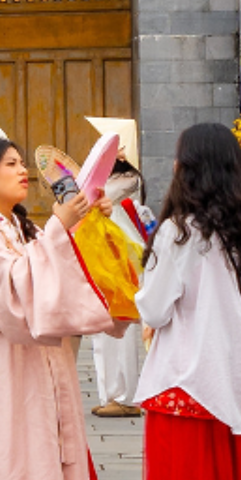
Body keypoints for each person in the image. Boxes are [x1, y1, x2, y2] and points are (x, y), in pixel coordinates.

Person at [0, 136, 119, 480]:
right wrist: (60, 226)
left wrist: (85, 221)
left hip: (48, 365)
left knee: (53, 457)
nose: (22, 171)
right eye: (10, 164)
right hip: (9, 370)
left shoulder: (20, 227)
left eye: (21, 162)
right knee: (23, 468)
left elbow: (61, 270)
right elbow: (13, 297)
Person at [135, 123, 241, 480]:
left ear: (187, 168)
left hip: (184, 376)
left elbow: (155, 310)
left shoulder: (178, 231)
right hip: (228, 369)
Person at [91, 156, 153, 418]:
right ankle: (109, 394)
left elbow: (96, 194)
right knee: (101, 325)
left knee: (122, 323)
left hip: (124, 257)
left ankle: (125, 395)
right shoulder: (105, 180)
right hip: (102, 251)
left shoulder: (130, 179)